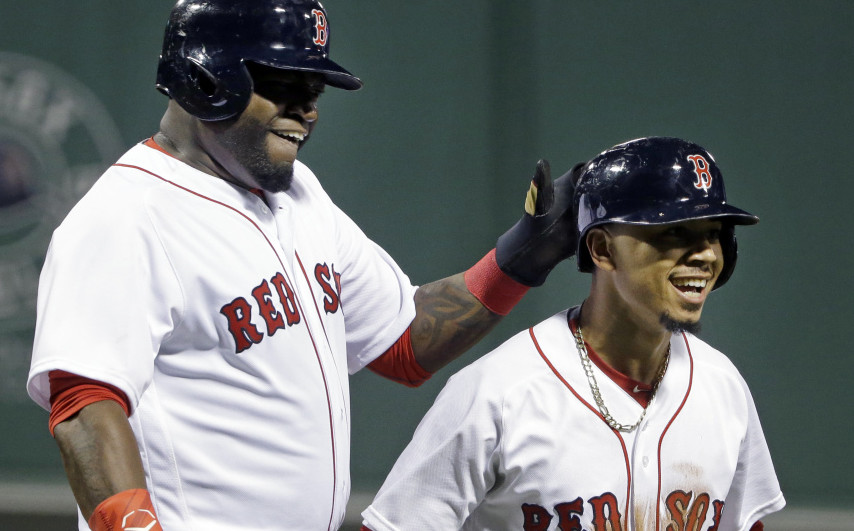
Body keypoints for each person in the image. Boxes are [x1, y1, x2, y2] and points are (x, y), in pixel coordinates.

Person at [25, 1, 578, 530]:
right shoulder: (126, 215)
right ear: (204, 79)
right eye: (284, 85)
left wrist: (517, 260)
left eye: (313, 91)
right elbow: (84, 407)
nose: (307, 110)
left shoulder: (300, 196)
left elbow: (404, 344)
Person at [361, 137, 786, 531]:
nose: (705, 255)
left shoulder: (722, 385)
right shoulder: (500, 392)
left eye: (713, 234)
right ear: (602, 249)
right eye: (674, 232)